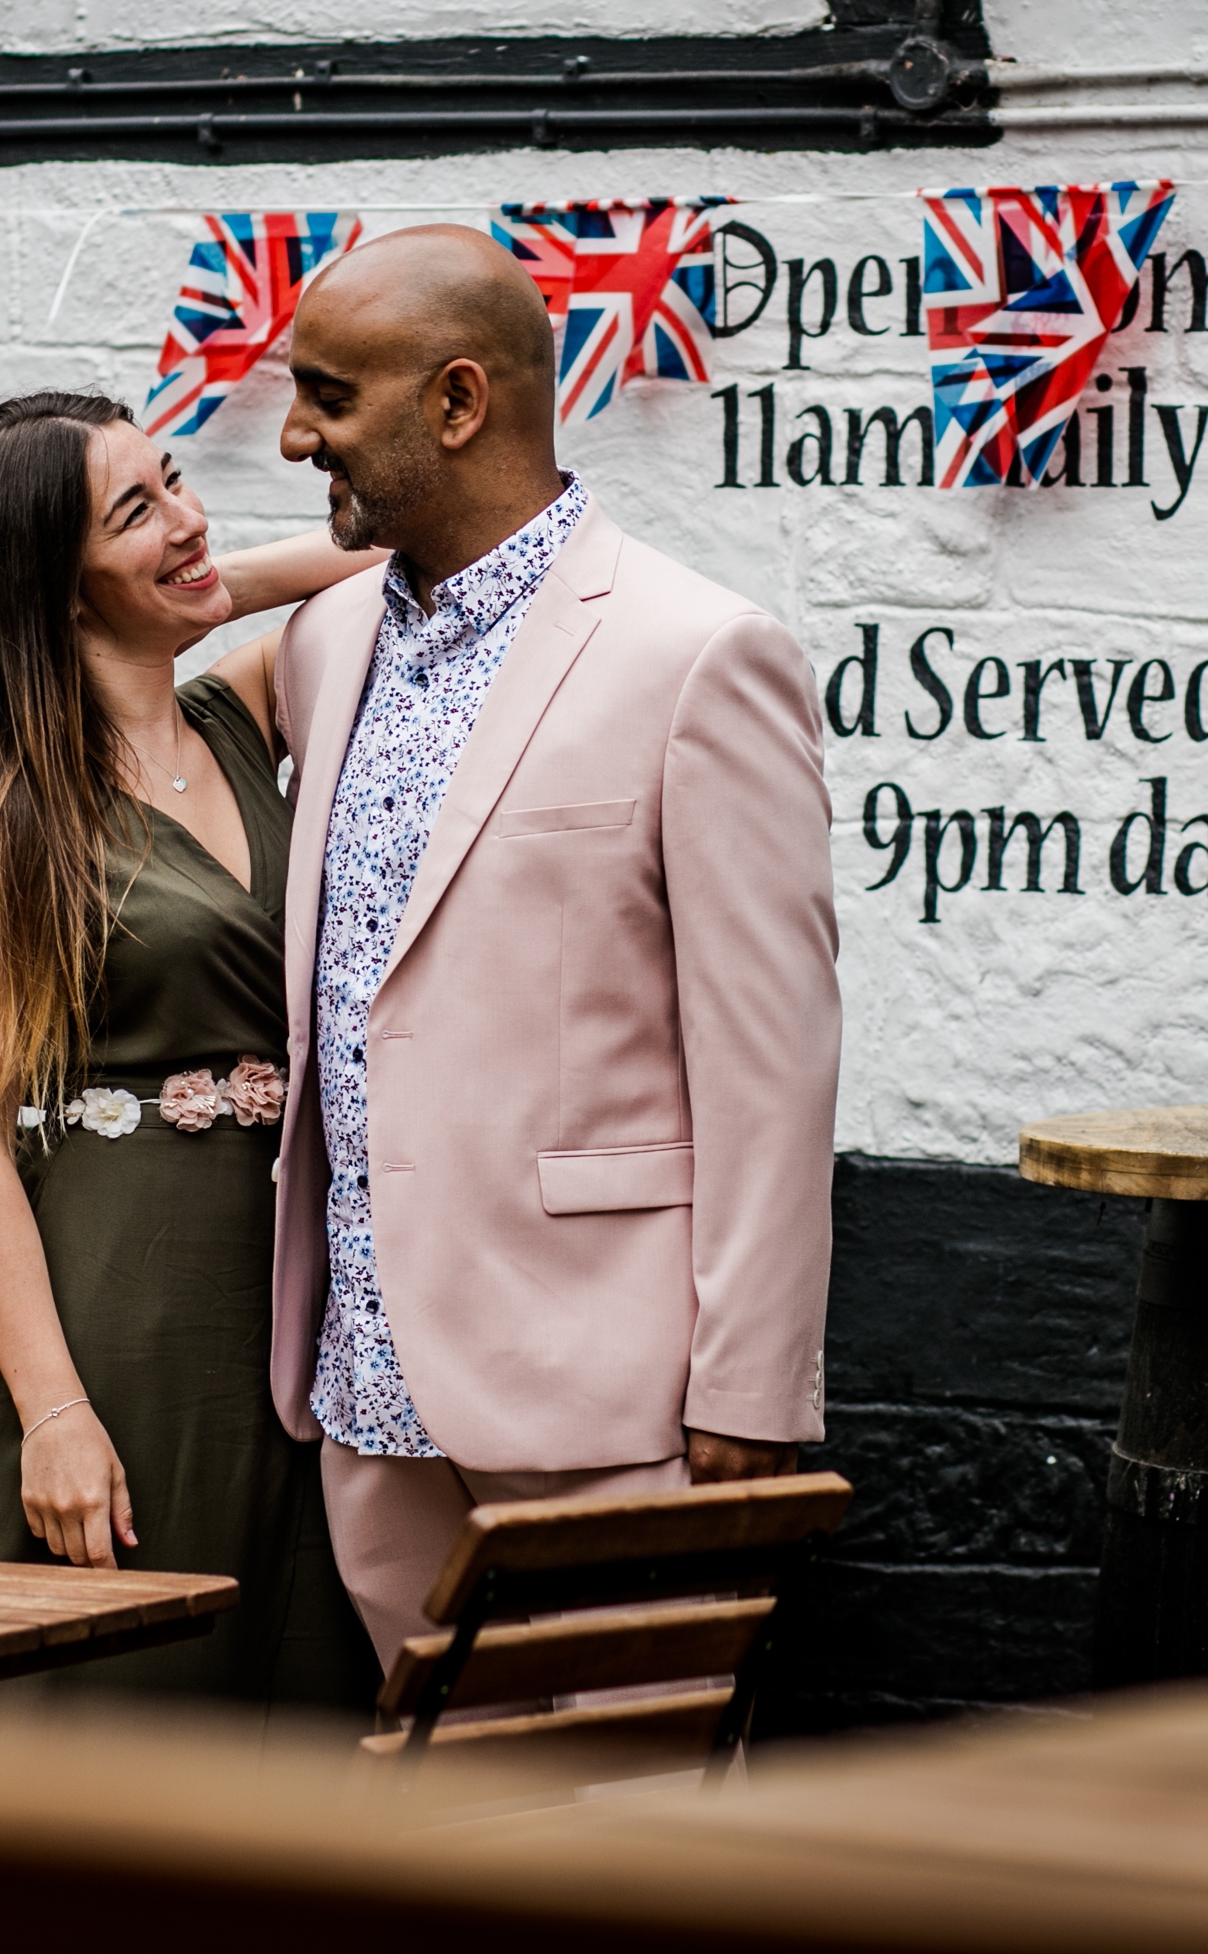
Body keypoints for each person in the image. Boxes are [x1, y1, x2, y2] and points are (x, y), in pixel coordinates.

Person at [264, 226, 841, 1665]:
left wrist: (751, 1390)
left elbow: (774, 1065)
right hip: (369, 1384)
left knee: (631, 1828)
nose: (291, 435)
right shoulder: (329, 640)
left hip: (611, 1387)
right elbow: (124, 612)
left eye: (329, 397)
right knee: (445, 1815)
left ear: (457, 405)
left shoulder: (697, 652)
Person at [0, 390, 380, 1714]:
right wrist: (51, 1412)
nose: (190, 517)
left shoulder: (243, 710)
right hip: (110, 1316)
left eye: (177, 481)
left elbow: (404, 552)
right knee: (104, 1724)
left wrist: (205, 585)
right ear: (49, 590)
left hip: (282, 1305)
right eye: (137, 511)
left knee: (279, 1714)